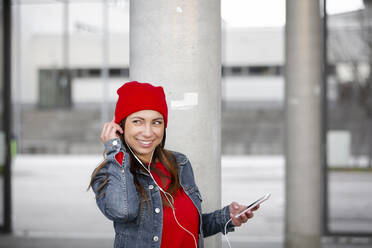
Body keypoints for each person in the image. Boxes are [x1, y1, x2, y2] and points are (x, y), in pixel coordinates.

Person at [89, 81, 259, 248]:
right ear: (120, 126)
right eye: (137, 121)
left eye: (157, 122)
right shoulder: (107, 174)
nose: (148, 132)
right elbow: (124, 210)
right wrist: (114, 149)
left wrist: (226, 217)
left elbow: (188, 229)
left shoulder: (179, 164)